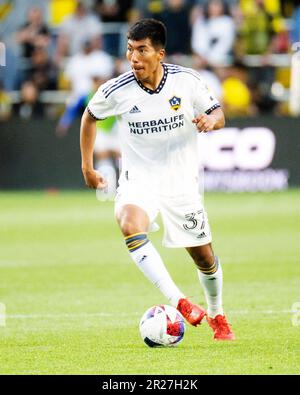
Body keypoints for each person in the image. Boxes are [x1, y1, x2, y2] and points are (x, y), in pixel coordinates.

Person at [80, 18, 235, 340]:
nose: (134, 58)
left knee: (204, 257)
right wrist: (87, 166)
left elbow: (219, 114)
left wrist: (210, 120)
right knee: (128, 223)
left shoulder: (187, 81)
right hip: (139, 178)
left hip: (181, 181)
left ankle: (218, 314)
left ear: (160, 53)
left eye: (141, 50)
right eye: (129, 50)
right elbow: (90, 117)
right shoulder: (115, 90)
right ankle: (179, 301)